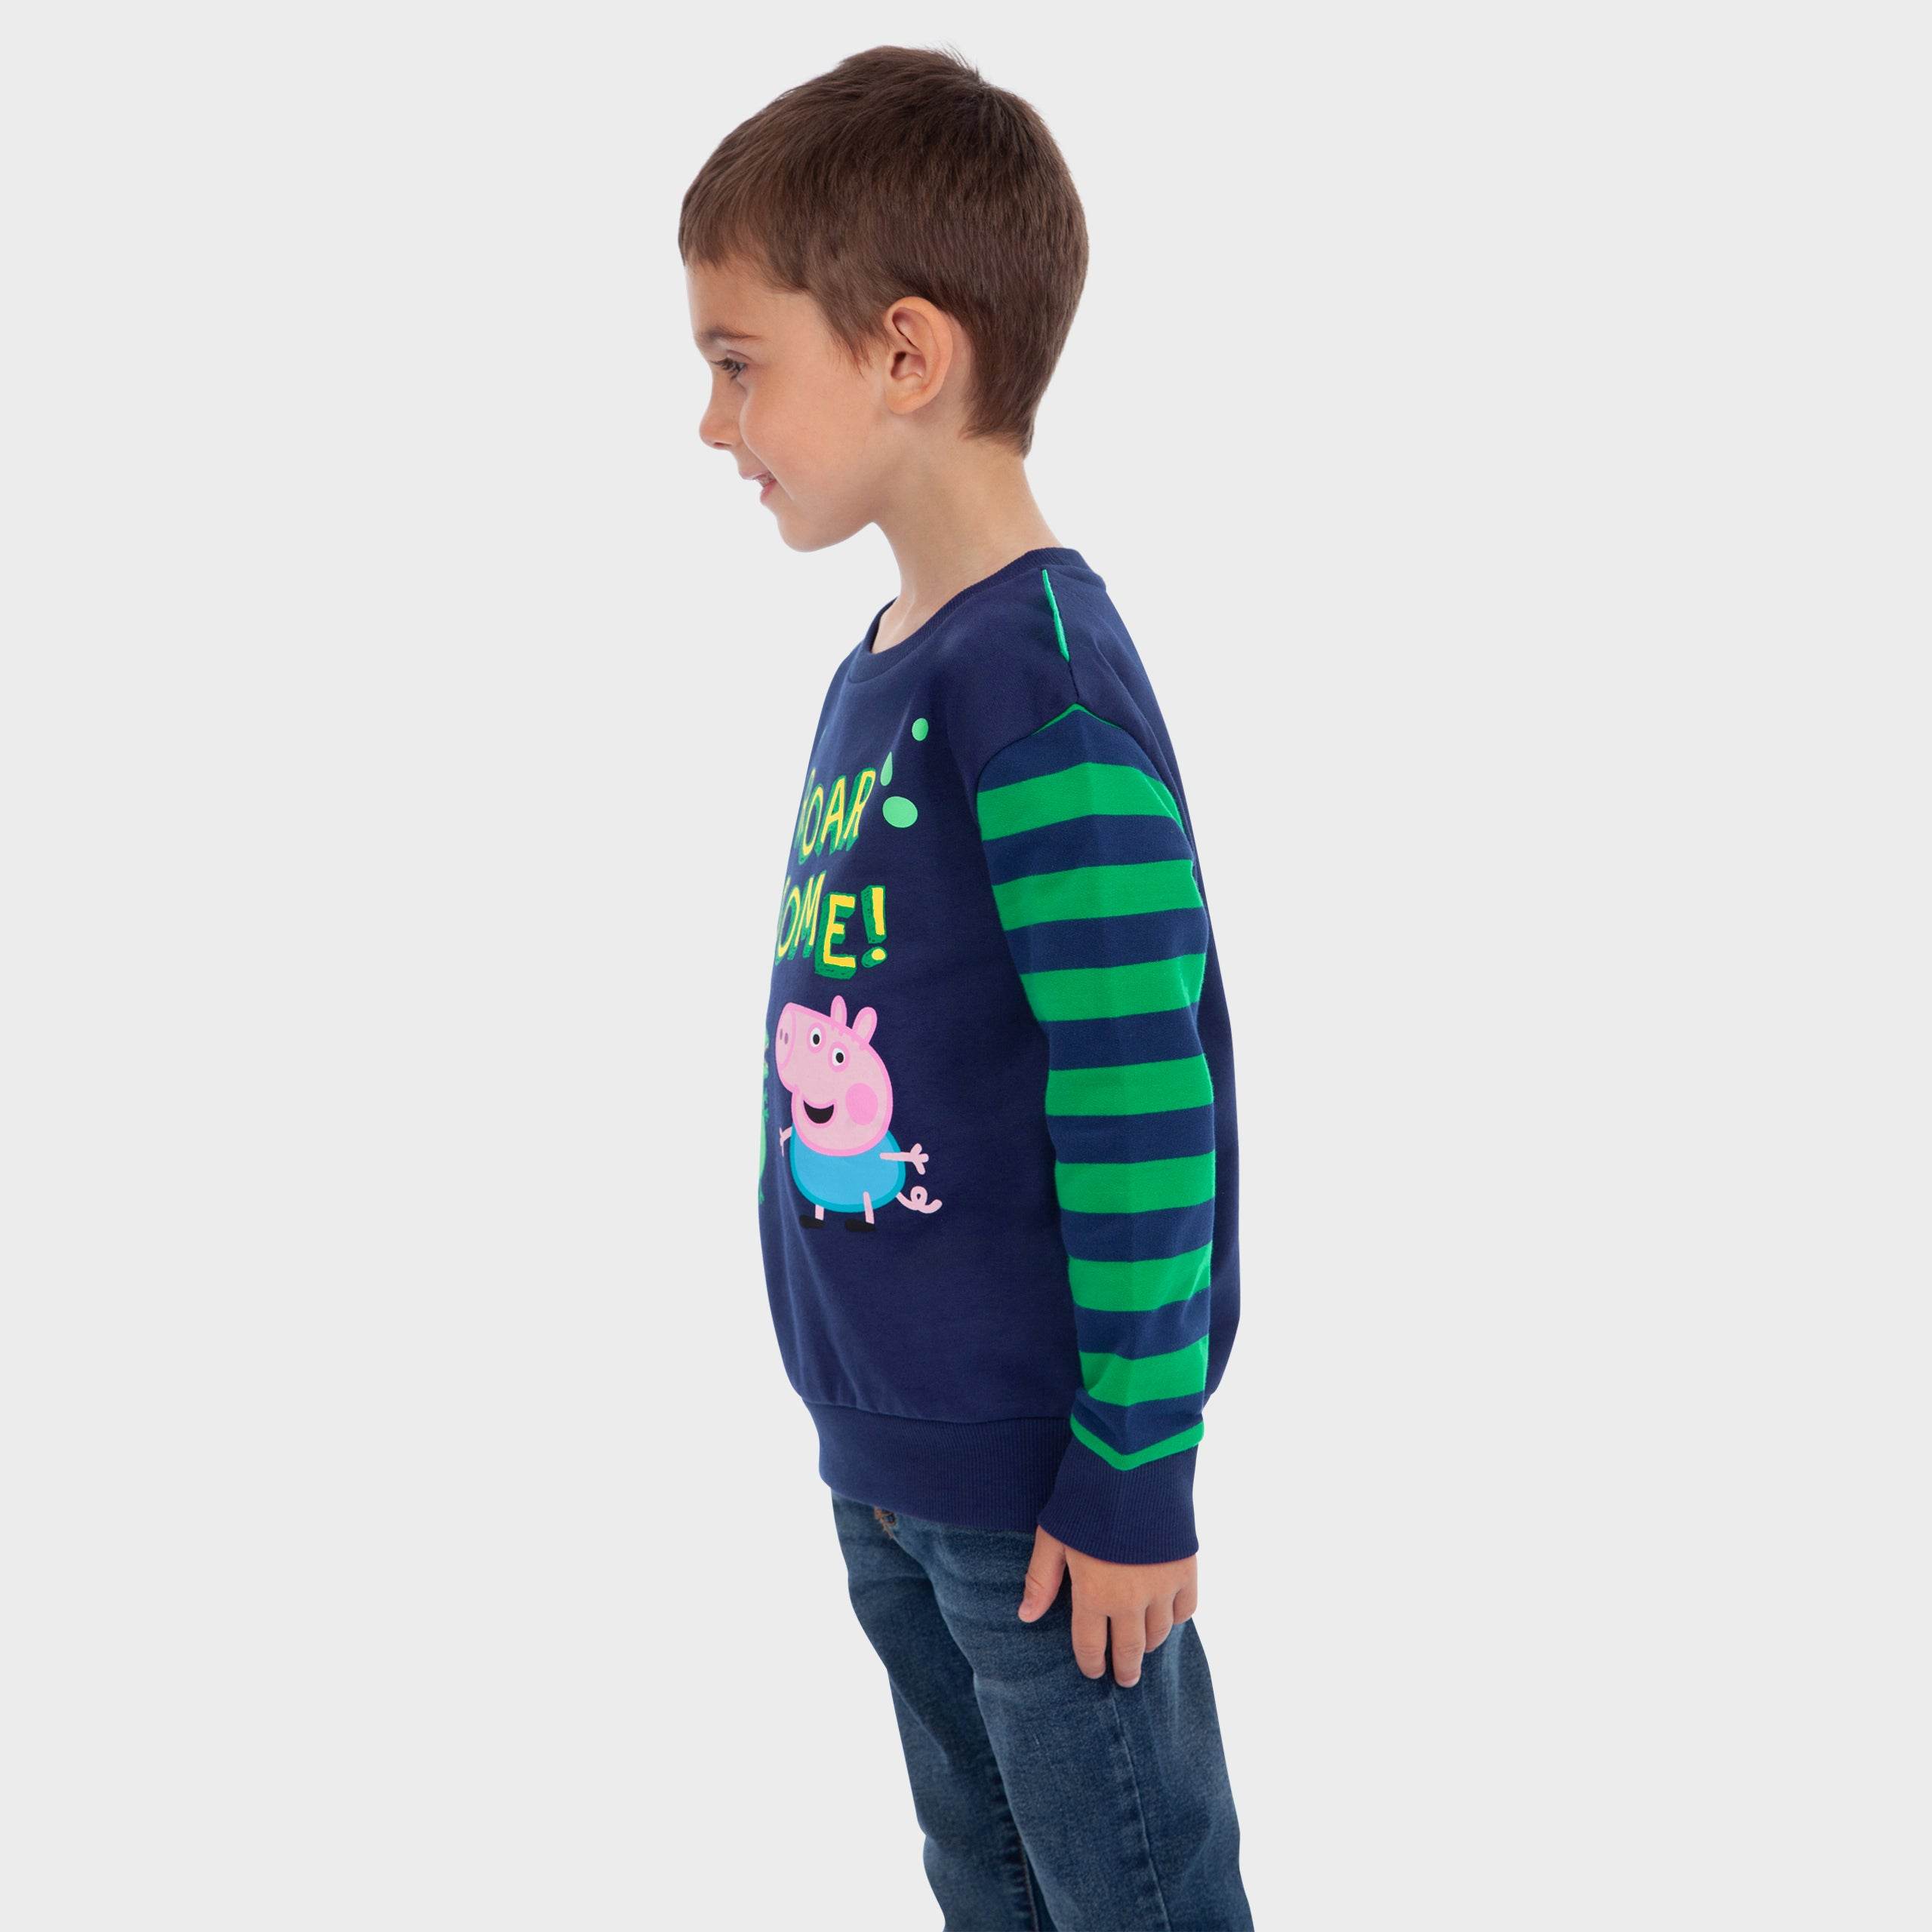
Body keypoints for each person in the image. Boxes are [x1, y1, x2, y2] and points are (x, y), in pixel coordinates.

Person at [682, 44, 1252, 1930]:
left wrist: (1133, 1461)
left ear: (905, 354)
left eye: (739, 359)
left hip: (1042, 1490)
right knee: (986, 1882)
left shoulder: (1035, 678)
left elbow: (1142, 1081)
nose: (711, 419)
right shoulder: (886, 661)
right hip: (892, 1460)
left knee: (1131, 1892)